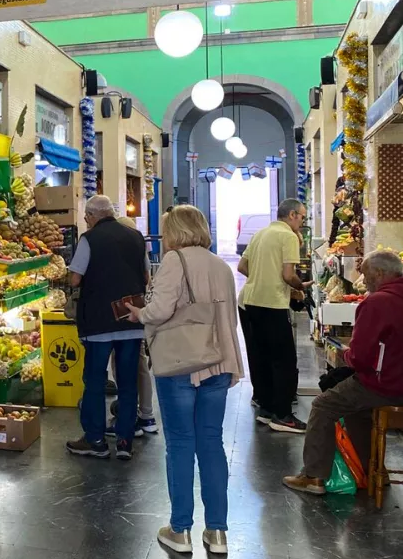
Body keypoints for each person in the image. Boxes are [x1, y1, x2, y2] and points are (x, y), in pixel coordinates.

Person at [126, 205, 243, 555]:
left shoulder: (176, 260)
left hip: (181, 364)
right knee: (211, 443)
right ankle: (218, 532)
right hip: (218, 361)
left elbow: (160, 311)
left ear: (174, 231)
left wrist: (138, 314)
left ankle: (180, 529)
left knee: (179, 444)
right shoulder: (220, 265)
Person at [283, 251, 403, 495]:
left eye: (365, 274)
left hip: (382, 383)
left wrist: (346, 354)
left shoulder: (377, 303)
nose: (364, 281)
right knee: (356, 412)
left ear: (379, 273)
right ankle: (372, 471)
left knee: (323, 405)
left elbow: (361, 357)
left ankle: (314, 476)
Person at [66, 195, 148, 460]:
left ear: (92, 215)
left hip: (99, 322)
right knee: (127, 382)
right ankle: (124, 441)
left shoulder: (89, 239)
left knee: (95, 381)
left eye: (86, 217)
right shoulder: (136, 237)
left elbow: (76, 279)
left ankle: (95, 440)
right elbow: (146, 276)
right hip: (131, 319)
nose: (86, 221)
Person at [237, 199, 310, 433]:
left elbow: (242, 266)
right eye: (302, 217)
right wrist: (301, 287)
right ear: (292, 215)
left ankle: (267, 409)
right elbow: (289, 275)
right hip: (272, 304)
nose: (303, 221)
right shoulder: (288, 236)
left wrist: (262, 277)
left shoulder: (260, 233)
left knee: (261, 357)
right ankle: (283, 415)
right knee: (284, 360)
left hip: (249, 302)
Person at [109, 215, 159, 437]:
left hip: (119, 313)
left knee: (120, 363)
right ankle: (146, 415)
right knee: (139, 362)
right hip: (138, 311)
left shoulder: (111, 248)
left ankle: (130, 419)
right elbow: (147, 278)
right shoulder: (139, 245)